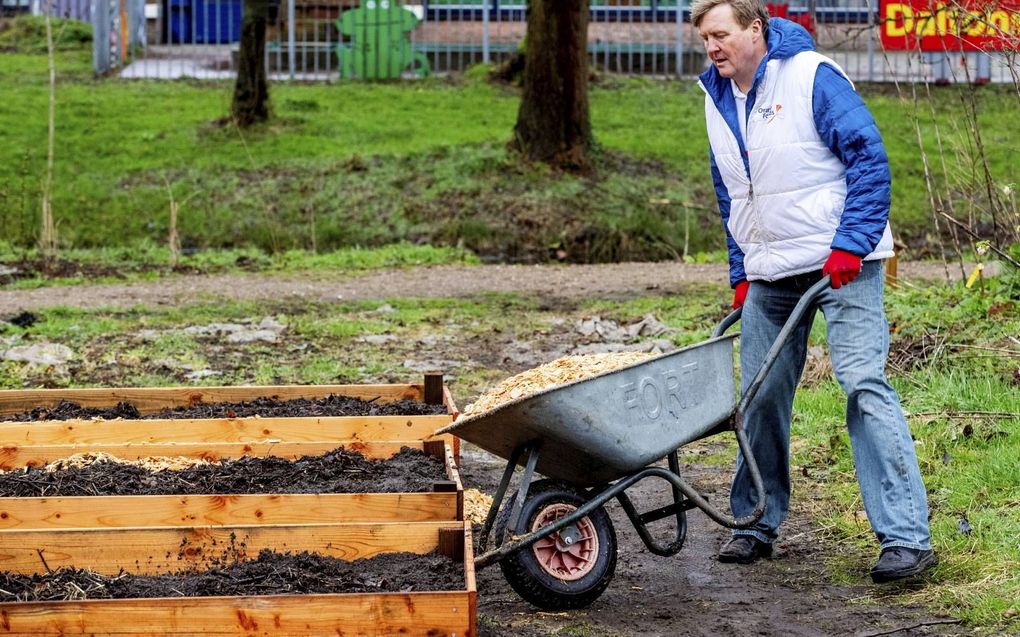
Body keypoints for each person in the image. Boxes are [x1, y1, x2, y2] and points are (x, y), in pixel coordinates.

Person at [691, 0, 937, 583]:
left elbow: (870, 160)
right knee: (759, 391)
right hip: (770, 272)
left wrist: (851, 244)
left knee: (861, 382)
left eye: (721, 35)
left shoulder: (812, 76)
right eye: (704, 40)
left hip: (842, 262)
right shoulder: (716, 97)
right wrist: (741, 272)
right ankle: (755, 519)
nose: (712, 49)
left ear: (755, 28)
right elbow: (734, 196)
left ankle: (906, 536)